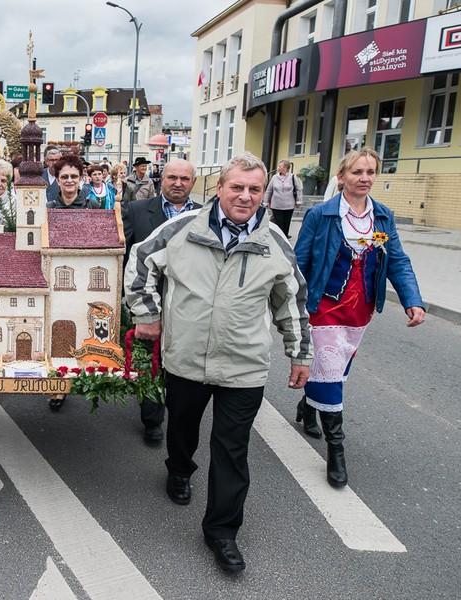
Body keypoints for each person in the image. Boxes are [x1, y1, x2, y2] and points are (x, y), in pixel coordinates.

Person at [125, 152, 311, 573]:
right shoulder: (182, 229)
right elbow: (139, 262)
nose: (245, 197)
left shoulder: (274, 242)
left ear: (264, 194)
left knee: (232, 449)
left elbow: (293, 301)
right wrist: (147, 314)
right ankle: (179, 468)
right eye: (237, 187)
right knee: (184, 427)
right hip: (187, 360)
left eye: (254, 189)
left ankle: (222, 532)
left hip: (243, 367)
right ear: (219, 188)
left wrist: (299, 352)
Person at [294, 148, 424, 488]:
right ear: (342, 176)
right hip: (324, 307)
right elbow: (299, 261)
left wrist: (413, 300)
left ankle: (308, 405)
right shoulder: (320, 215)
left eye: (370, 171)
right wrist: (291, 305)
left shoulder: (381, 217)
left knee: (334, 371)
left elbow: (396, 260)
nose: (364, 177)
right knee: (330, 369)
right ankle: (336, 450)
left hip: (360, 310)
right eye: (357, 172)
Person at [122, 159, 201, 443]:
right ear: (161, 179)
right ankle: (152, 419)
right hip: (150, 299)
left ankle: (179, 412)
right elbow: (127, 253)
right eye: (172, 178)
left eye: (184, 179)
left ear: (192, 183)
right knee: (150, 360)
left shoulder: (204, 216)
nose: (178, 183)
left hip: (188, 301)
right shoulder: (138, 210)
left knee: (180, 362)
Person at [46, 154, 101, 411]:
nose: (69, 181)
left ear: (81, 179)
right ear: (57, 180)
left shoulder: (92, 206)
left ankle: (71, 380)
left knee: (76, 327)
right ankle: (57, 385)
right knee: (54, 331)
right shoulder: (48, 208)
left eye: (74, 177)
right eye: (64, 176)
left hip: (81, 274)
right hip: (54, 275)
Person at [263, 159, 302, 238]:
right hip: (276, 205)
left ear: (286, 168)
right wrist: (266, 202)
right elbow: (268, 191)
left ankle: (284, 238)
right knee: (279, 223)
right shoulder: (274, 177)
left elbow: (298, 189)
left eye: (280, 166)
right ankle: (280, 238)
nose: (278, 167)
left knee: (286, 224)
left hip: (289, 205)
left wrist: (299, 201)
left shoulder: (293, 177)